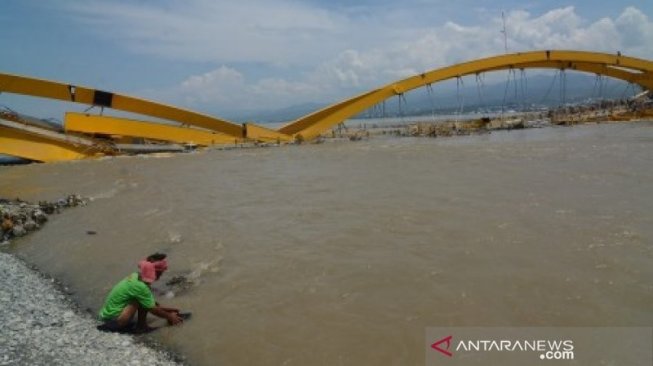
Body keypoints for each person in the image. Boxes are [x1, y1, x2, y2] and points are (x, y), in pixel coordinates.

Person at [97, 253, 184, 333]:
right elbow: (152, 308)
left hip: (106, 315)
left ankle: (141, 325)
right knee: (139, 300)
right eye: (160, 273)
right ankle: (141, 327)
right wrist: (170, 317)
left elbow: (150, 301)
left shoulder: (135, 276)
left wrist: (166, 310)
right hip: (114, 321)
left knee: (142, 299)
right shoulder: (141, 287)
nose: (161, 276)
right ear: (154, 272)